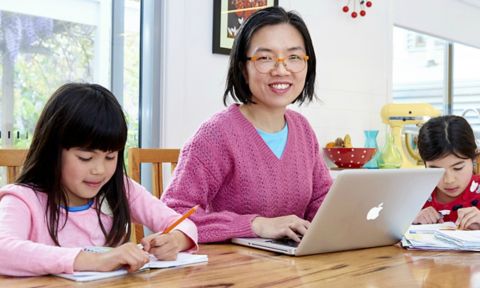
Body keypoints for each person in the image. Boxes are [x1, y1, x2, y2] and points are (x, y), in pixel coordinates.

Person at [162, 7, 332, 243]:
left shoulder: (302, 129)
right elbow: (173, 214)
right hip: (234, 272)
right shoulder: (216, 134)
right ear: (243, 68)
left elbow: (322, 200)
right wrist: (255, 225)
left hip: (295, 268)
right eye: (265, 58)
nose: (281, 70)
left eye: (294, 57)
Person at [0, 83, 198, 276]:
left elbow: (183, 224)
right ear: (53, 152)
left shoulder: (120, 189)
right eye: (85, 158)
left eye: (110, 157)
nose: (100, 170)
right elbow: (3, 250)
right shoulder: (22, 200)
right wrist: (95, 261)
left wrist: (175, 240)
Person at [413, 115, 480, 230]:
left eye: (458, 168)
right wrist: (411, 223)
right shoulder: (412, 194)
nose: (449, 180)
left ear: (474, 158)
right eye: (436, 171)